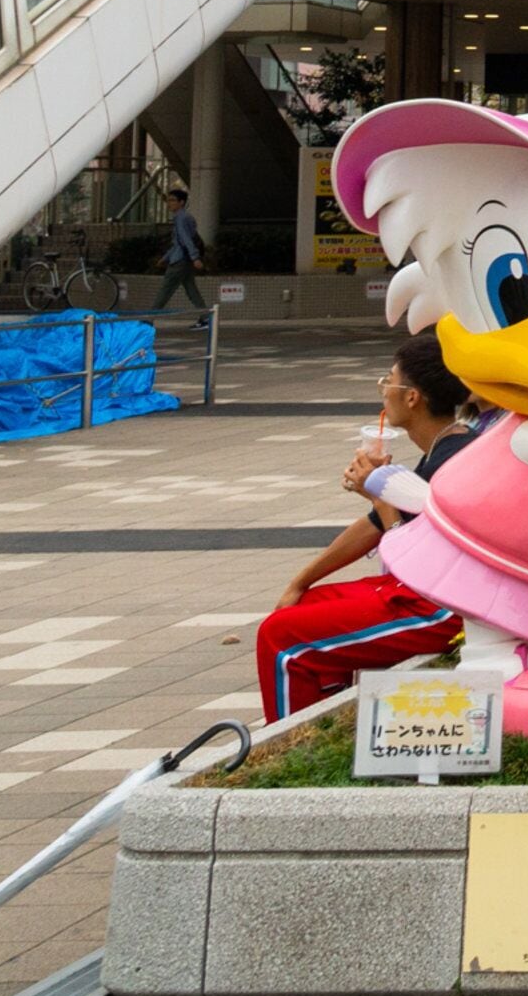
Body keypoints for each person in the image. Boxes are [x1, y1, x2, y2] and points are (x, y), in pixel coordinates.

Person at [249, 338, 489, 720]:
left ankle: (293, 745)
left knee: (283, 640)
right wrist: (299, 583)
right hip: (420, 592)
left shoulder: (456, 461)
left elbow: (416, 556)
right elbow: (374, 526)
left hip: (443, 607)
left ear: (412, 397)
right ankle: (322, 724)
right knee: (302, 606)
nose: (383, 391)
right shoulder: (443, 449)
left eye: (387, 382)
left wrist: (379, 494)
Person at [149, 186, 207, 312]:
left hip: (180, 260)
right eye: (168, 200)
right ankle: (206, 317)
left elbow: (186, 240)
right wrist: (165, 258)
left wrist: (195, 257)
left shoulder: (181, 218)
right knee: (191, 289)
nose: (169, 203)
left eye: (173, 200)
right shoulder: (184, 217)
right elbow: (179, 243)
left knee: (165, 290)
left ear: (181, 202)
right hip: (184, 259)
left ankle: (148, 319)